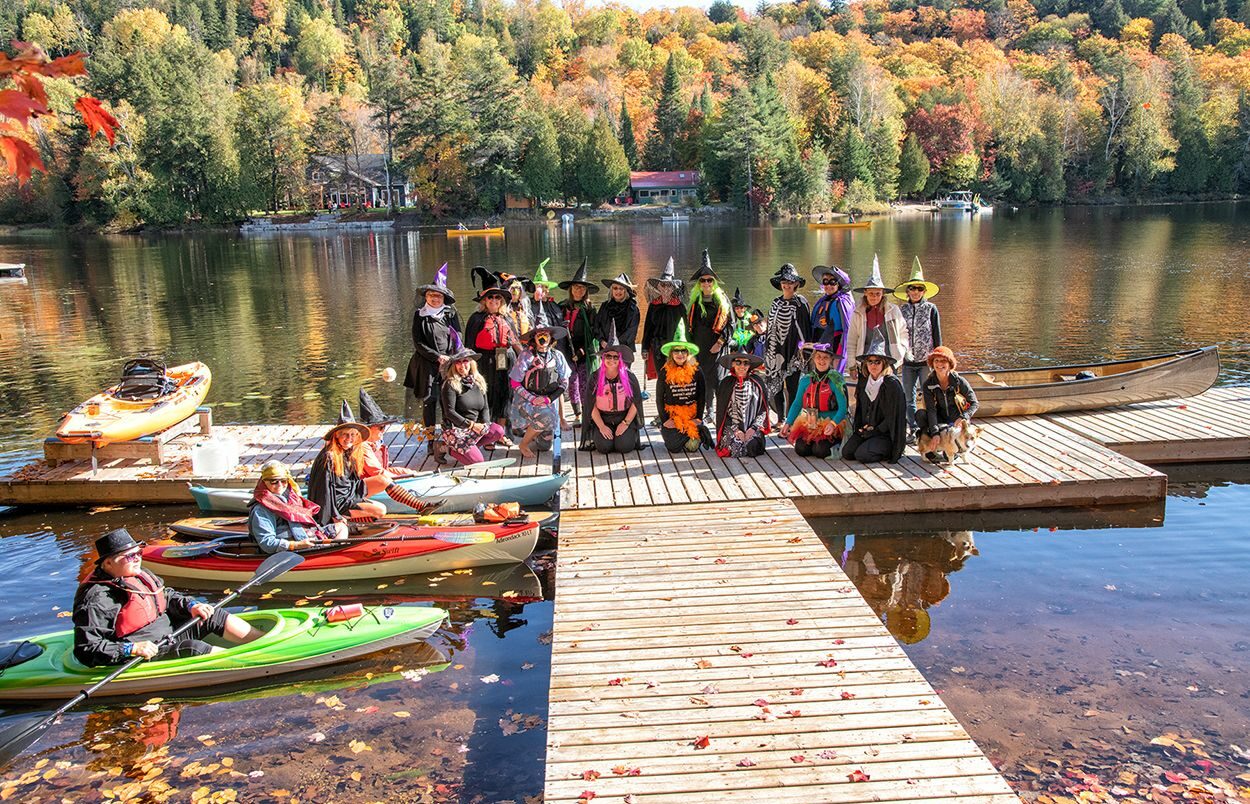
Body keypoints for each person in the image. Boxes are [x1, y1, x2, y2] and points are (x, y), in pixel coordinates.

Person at [73, 529, 264, 667]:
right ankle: (250, 664)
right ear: (108, 563)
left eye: (138, 553)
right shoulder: (96, 598)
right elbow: (87, 649)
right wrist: (131, 649)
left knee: (211, 614)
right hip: (143, 651)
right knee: (194, 648)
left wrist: (191, 605)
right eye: (130, 556)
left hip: (168, 633)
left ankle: (264, 644)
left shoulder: (136, 573)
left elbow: (165, 595)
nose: (137, 559)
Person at [403, 262, 462, 436]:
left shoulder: (450, 314)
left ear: (444, 298)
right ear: (426, 297)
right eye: (431, 295)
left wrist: (451, 357)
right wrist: (437, 357)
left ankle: (448, 435)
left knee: (448, 400)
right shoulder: (420, 315)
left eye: (439, 296)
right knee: (430, 401)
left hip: (449, 363)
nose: (435, 299)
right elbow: (418, 343)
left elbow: (457, 335)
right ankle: (429, 438)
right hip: (426, 364)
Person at [306, 401, 388, 525]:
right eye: (345, 434)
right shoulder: (329, 457)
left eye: (353, 435)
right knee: (380, 510)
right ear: (337, 436)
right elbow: (323, 491)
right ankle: (349, 524)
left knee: (384, 480)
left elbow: (352, 483)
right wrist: (334, 516)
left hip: (349, 493)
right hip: (336, 503)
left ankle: (421, 506)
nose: (349, 439)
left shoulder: (350, 452)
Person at [508, 308, 571, 458]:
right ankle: (523, 443)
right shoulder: (526, 355)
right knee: (546, 416)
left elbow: (564, 381)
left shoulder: (557, 356)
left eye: (546, 334)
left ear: (551, 338)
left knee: (545, 446)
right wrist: (532, 399)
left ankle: (535, 432)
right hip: (527, 400)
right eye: (539, 334)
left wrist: (550, 398)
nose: (543, 338)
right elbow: (514, 382)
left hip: (549, 399)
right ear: (534, 338)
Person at [248, 460, 347, 554]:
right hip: (293, 548)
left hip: (309, 535)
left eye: (283, 481)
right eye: (274, 481)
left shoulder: (292, 497)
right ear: (264, 482)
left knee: (341, 527)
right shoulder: (261, 509)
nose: (279, 485)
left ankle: (331, 553)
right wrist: (296, 545)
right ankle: (328, 555)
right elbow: (267, 543)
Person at [894, 257, 942, 443]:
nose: (915, 292)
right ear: (907, 291)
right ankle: (913, 429)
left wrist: (939, 359)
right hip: (907, 361)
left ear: (924, 291)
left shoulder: (931, 309)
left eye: (919, 288)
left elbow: (937, 335)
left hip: (926, 361)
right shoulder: (901, 310)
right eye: (912, 288)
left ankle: (932, 428)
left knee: (930, 395)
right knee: (908, 397)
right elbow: (897, 334)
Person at [463, 267, 519, 427]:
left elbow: (515, 342)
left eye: (497, 297)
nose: (494, 300)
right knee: (486, 393)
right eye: (490, 297)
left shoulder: (507, 318)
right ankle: (486, 430)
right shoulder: (476, 319)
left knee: (506, 393)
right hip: (484, 361)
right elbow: (469, 345)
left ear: (501, 300)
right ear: (484, 301)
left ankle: (500, 431)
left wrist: (526, 359)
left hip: (505, 358)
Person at [440, 344, 512, 464]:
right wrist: (472, 426)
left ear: (471, 363)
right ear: (454, 365)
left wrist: (484, 425)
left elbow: (485, 407)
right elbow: (449, 412)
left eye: (465, 361)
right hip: (456, 429)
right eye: (458, 362)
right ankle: (450, 449)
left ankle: (469, 447)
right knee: (478, 461)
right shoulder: (450, 384)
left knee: (498, 431)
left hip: (474, 428)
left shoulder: (478, 381)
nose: (462, 365)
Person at [841, 333, 908, 464]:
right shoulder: (864, 381)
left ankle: (886, 451)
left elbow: (893, 417)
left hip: (886, 433)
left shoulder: (891, 384)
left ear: (883, 364)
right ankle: (869, 444)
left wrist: (876, 430)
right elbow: (861, 410)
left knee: (862, 455)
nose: (873, 365)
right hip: (868, 430)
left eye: (877, 362)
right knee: (847, 452)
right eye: (870, 362)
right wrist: (863, 428)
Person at [580, 322, 643, 454]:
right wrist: (601, 426)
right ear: (603, 358)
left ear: (620, 359)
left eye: (616, 357)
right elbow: (590, 405)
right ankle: (606, 435)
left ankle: (624, 436)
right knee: (603, 448)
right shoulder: (595, 377)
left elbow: (636, 402)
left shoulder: (629, 377)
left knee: (624, 447)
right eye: (608, 356)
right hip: (603, 418)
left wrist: (625, 423)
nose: (612, 360)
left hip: (623, 416)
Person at [780, 342, 849, 460]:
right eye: (819, 357)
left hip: (832, 422)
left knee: (820, 450)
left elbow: (843, 408)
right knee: (801, 449)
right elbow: (797, 403)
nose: (822, 361)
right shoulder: (806, 380)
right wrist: (788, 423)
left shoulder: (836, 380)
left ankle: (838, 443)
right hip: (811, 421)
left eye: (825, 357)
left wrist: (833, 424)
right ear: (813, 358)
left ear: (831, 360)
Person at [845, 255, 908, 382]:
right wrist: (852, 365)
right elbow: (852, 340)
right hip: (865, 362)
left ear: (883, 294)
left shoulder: (893, 311)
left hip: (889, 361)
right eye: (871, 293)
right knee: (865, 395)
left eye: (878, 293)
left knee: (889, 394)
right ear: (866, 294)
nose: (874, 297)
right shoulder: (858, 313)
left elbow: (903, 333)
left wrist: (901, 349)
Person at [763, 263, 811, 420]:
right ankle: (780, 418)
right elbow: (770, 327)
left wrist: (804, 352)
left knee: (792, 387)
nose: (786, 285)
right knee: (774, 385)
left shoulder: (800, 303)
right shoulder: (776, 302)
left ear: (796, 284)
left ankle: (791, 419)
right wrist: (768, 349)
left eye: (790, 282)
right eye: (784, 282)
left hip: (792, 352)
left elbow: (804, 330)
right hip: (774, 350)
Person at [687, 250, 731, 420]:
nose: (706, 283)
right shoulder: (694, 301)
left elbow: (731, 325)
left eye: (709, 280)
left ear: (714, 282)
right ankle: (709, 411)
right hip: (699, 347)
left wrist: (720, 342)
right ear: (699, 283)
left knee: (718, 380)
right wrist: (689, 349)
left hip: (717, 346)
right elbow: (689, 326)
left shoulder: (723, 300)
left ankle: (722, 411)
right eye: (703, 280)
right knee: (703, 379)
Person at [656, 319, 711, 452]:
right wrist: (664, 420)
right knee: (673, 447)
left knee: (692, 447)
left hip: (691, 414)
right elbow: (659, 398)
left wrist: (698, 418)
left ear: (688, 353)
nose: (680, 354)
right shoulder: (664, 372)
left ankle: (696, 430)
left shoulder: (697, 371)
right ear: (671, 354)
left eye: (683, 351)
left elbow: (701, 396)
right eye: (676, 351)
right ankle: (693, 434)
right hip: (673, 415)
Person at [918, 346, 978, 463]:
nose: (940, 364)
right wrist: (935, 433)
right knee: (920, 414)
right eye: (936, 361)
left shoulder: (960, 381)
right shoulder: (928, 384)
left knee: (948, 457)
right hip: (940, 420)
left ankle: (965, 443)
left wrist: (963, 417)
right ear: (932, 364)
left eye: (943, 361)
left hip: (956, 421)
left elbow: (974, 403)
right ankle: (930, 445)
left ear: (950, 364)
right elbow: (931, 410)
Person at [558, 258, 598, 426]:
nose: (578, 290)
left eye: (582, 287)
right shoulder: (562, 306)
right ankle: (577, 414)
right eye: (575, 287)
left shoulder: (590, 309)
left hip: (583, 351)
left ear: (586, 290)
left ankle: (587, 410)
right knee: (571, 382)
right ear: (571, 289)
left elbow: (594, 332)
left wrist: (582, 351)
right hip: (566, 350)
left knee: (584, 381)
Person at [714, 348, 770, 458]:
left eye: (746, 363)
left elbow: (764, 409)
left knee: (752, 447)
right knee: (735, 448)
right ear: (733, 364)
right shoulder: (726, 383)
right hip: (731, 427)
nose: (742, 366)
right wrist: (736, 430)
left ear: (749, 366)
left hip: (753, 428)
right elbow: (722, 412)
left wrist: (753, 428)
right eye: (738, 362)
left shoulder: (757, 382)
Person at [641, 257, 687, 386]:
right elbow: (648, 328)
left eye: (669, 285)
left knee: (676, 376)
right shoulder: (654, 305)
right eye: (663, 285)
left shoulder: (679, 306)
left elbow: (686, 328)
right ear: (659, 287)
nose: (666, 288)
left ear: (673, 288)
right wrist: (644, 347)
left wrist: (688, 348)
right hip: (657, 346)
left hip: (675, 347)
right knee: (661, 377)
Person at [809, 265, 855, 374]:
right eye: (825, 282)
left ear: (838, 284)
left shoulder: (843, 302)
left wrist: (842, 352)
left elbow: (848, 329)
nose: (828, 285)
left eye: (832, 282)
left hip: (836, 343)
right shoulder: (821, 301)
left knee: (833, 375)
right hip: (819, 341)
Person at [595, 272, 640, 374]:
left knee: (623, 378)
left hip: (624, 349)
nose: (618, 291)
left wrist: (615, 346)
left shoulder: (633, 309)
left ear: (626, 291)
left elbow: (631, 331)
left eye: (621, 289)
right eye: (615, 288)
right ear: (611, 290)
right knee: (607, 377)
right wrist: (602, 341)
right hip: (605, 348)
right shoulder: (605, 306)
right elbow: (597, 326)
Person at [529, 259, 566, 356]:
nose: (542, 289)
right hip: (535, 347)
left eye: (545, 286)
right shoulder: (527, 305)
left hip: (555, 348)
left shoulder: (554, 305)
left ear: (548, 290)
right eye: (539, 286)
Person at [723, 287, 766, 357]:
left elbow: (757, 331)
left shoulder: (750, 318)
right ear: (734, 309)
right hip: (735, 342)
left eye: (741, 308)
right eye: (737, 308)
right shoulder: (730, 318)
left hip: (748, 342)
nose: (739, 310)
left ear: (745, 308)